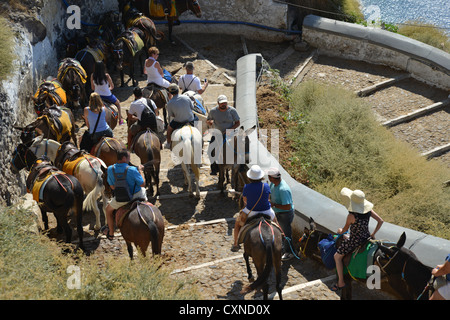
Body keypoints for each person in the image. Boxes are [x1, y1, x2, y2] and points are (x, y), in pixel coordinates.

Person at [332, 188, 384, 291]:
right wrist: (373, 234)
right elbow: (380, 221)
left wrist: (340, 230)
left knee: (337, 257)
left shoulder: (351, 216)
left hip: (354, 241)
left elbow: (344, 230)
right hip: (366, 238)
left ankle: (341, 282)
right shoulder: (368, 211)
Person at [102, 149, 147, 240]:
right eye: (129, 157)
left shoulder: (110, 169)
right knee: (143, 191)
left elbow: (112, 186)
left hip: (121, 198)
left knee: (108, 210)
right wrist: (141, 171)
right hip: (136, 196)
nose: (129, 160)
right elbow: (142, 184)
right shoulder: (133, 169)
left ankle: (111, 233)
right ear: (123, 158)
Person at [231, 165, 277, 252]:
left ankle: (236, 244)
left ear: (250, 177)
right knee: (276, 222)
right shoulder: (266, 186)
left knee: (237, 224)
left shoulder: (246, 187)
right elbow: (268, 198)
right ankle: (282, 237)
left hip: (251, 212)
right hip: (267, 211)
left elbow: (245, 201)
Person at [206, 94, 240, 175]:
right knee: (210, 150)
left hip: (230, 133)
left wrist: (230, 130)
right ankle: (214, 168)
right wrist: (209, 122)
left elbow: (237, 123)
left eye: (225, 103)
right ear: (218, 103)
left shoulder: (232, 111)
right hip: (218, 133)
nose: (223, 105)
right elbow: (208, 120)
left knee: (240, 146)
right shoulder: (213, 111)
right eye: (221, 103)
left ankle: (240, 165)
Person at [267, 167, 295, 261]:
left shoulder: (283, 189)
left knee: (286, 233)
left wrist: (274, 204)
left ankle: (289, 252)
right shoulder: (273, 184)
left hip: (285, 214)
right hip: (278, 212)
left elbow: (287, 206)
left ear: (271, 177)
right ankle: (282, 248)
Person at [165, 83, 197, 147]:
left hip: (178, 122)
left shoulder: (170, 103)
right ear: (178, 90)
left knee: (169, 130)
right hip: (190, 120)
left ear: (170, 92)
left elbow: (172, 115)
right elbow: (192, 107)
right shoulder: (186, 97)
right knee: (198, 124)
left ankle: (168, 143)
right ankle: (201, 141)